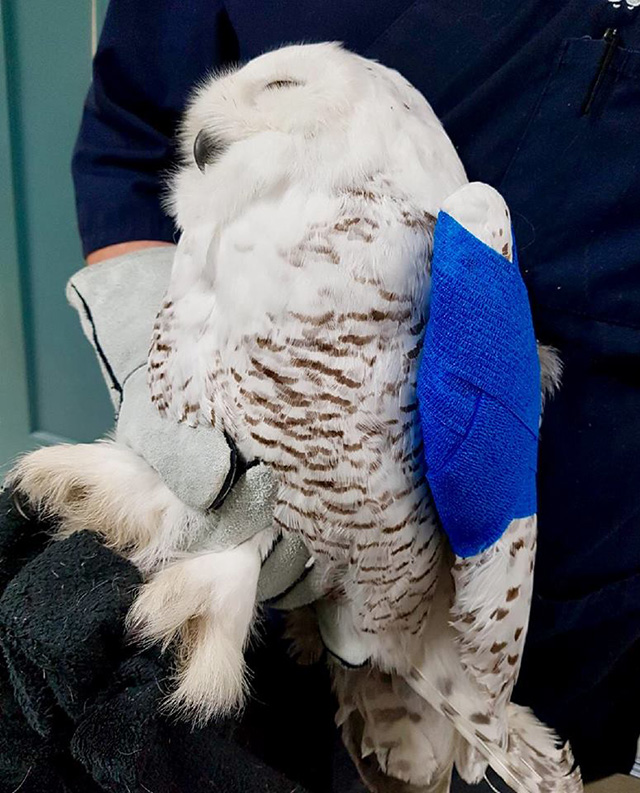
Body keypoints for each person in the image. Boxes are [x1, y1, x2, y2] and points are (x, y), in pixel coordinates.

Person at [68, 0, 640, 786]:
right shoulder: (252, 126)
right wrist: (162, 374)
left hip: (580, 602)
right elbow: (134, 137)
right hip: (259, 612)